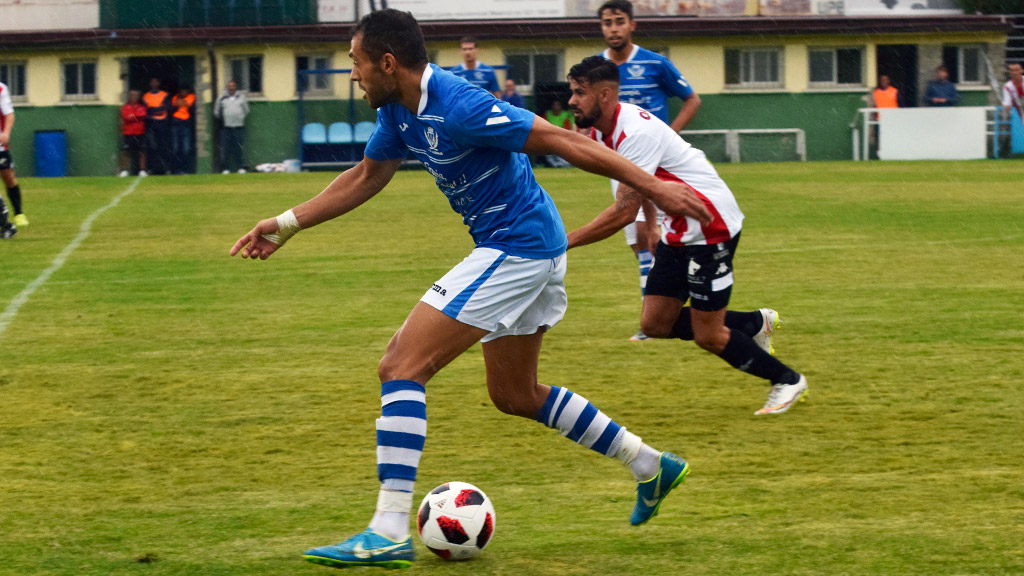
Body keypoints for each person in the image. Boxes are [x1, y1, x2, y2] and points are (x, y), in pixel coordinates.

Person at [230, 9, 711, 570]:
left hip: (518, 246)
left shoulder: (460, 104)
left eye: (358, 63)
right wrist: (286, 224)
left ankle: (386, 530)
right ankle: (650, 465)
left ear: (388, 63)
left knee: (400, 366)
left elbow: (558, 138)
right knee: (515, 395)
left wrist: (657, 187)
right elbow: (367, 174)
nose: (354, 75)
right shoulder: (398, 109)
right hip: (529, 247)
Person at [565, 56, 808, 416]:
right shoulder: (606, 129)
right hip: (677, 226)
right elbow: (640, 184)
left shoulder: (634, 132)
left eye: (578, 93)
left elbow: (622, 212)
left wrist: (562, 243)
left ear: (604, 95)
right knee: (655, 324)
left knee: (709, 335)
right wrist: (653, 223)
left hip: (710, 224)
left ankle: (787, 379)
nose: (571, 101)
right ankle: (755, 322)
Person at [598, 0, 701, 341]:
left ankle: (655, 319)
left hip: (654, 163)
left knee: (650, 235)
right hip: (618, 160)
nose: (613, 28)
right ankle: (657, 313)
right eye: (607, 23)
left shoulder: (655, 63)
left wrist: (667, 135)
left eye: (619, 21)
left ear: (632, 25)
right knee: (639, 242)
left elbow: (692, 99)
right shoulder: (597, 66)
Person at [0, 80, 25, 235]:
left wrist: (6, 133)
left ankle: (19, 213)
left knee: (8, 177)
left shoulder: (1, 88)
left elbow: (9, 114)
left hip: (0, 145)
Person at [214, 80, 249, 174]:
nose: (231, 88)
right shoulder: (221, 98)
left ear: (235, 87)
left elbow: (246, 110)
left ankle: (240, 167)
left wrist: (239, 118)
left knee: (239, 148)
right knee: (225, 149)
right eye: (229, 86)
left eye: (233, 86)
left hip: (238, 127)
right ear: (226, 87)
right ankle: (225, 169)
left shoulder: (241, 98)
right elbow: (217, 112)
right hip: (226, 128)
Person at [142, 77, 171, 175]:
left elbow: (165, 108)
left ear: (159, 83)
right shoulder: (146, 96)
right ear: (150, 83)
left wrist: (153, 110)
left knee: (163, 146)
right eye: (152, 81)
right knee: (151, 147)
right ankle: (152, 169)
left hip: (162, 123)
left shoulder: (164, 95)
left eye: (156, 81)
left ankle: (166, 168)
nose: (154, 83)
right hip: (151, 124)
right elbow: (146, 110)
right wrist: (157, 110)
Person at [119, 90, 148, 178]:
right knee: (126, 151)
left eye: (136, 95)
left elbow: (142, 116)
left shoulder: (141, 107)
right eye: (132, 95)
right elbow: (125, 117)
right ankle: (124, 170)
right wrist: (135, 117)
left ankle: (142, 170)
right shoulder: (125, 107)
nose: (134, 97)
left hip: (139, 132)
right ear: (129, 96)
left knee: (141, 151)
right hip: (128, 132)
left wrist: (133, 117)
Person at [170, 86, 195, 174]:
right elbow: (172, 109)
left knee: (186, 148)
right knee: (176, 148)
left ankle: (185, 169)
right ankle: (176, 169)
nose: (183, 92)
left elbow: (191, 108)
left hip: (186, 125)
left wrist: (183, 104)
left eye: (185, 90)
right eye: (182, 91)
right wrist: (180, 104)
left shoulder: (191, 97)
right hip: (176, 125)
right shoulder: (175, 98)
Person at [542, 100, 574, 167]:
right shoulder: (547, 114)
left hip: (562, 139)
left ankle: (563, 164)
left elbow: (567, 129)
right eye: (554, 105)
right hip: (549, 140)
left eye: (558, 105)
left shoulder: (566, 115)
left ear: (561, 106)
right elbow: (542, 128)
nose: (556, 107)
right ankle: (556, 165)